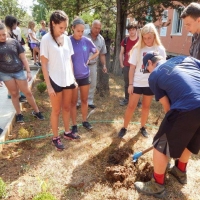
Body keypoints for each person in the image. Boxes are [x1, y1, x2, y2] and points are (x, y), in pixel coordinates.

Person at [134, 52, 200, 198]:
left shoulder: (154, 75)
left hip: (186, 106)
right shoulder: (185, 58)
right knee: (188, 140)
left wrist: (169, 129)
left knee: (160, 145)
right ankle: (180, 172)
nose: (148, 72)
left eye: (147, 69)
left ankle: (157, 185)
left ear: (150, 63)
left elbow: (168, 107)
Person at [117, 23, 166, 138]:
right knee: (131, 106)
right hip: (137, 82)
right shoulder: (137, 48)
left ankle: (142, 127)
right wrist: (130, 84)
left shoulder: (160, 50)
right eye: (145, 38)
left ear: (154, 35)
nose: (147, 40)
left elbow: (162, 69)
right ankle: (124, 127)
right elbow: (132, 68)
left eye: (150, 37)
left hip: (150, 84)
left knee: (146, 106)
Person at [40, 10, 79, 150]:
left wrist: (73, 78)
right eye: (61, 27)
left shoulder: (67, 39)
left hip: (68, 79)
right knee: (56, 110)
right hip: (55, 79)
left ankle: (67, 132)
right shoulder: (46, 39)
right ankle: (55, 137)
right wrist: (49, 86)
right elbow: (44, 63)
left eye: (65, 27)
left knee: (67, 107)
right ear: (53, 24)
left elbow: (70, 60)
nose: (63, 30)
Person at [0, 22, 44, 123]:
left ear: (7, 32)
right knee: (14, 93)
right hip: (5, 74)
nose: (2, 37)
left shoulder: (14, 42)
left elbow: (23, 58)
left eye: (4, 34)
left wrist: (28, 71)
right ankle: (19, 114)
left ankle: (37, 111)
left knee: (27, 92)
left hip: (18, 71)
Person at [70, 18, 99, 133]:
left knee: (84, 99)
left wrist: (89, 59)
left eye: (82, 31)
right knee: (73, 102)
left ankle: (84, 120)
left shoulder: (86, 41)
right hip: (72, 77)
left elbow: (96, 51)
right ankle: (74, 124)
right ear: (73, 28)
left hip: (84, 75)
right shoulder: (68, 41)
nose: (80, 33)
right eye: (78, 31)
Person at [83, 20, 107, 109]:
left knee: (92, 84)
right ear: (91, 26)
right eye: (95, 28)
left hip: (93, 65)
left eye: (99, 28)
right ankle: (78, 102)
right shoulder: (83, 34)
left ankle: (89, 101)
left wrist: (104, 65)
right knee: (79, 83)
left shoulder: (101, 39)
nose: (97, 30)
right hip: (81, 64)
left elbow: (102, 54)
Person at [5, 15, 26, 102]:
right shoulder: (7, 34)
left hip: (15, 58)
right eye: (15, 23)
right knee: (15, 78)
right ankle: (16, 95)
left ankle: (11, 94)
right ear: (11, 23)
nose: (16, 25)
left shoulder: (11, 32)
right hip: (12, 59)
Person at [119, 21, 139, 106]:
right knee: (127, 83)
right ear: (128, 31)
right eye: (130, 30)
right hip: (127, 65)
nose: (132, 31)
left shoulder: (140, 40)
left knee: (137, 83)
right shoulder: (125, 40)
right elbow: (121, 53)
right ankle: (127, 99)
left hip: (137, 66)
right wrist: (121, 64)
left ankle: (138, 101)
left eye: (133, 29)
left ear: (136, 30)